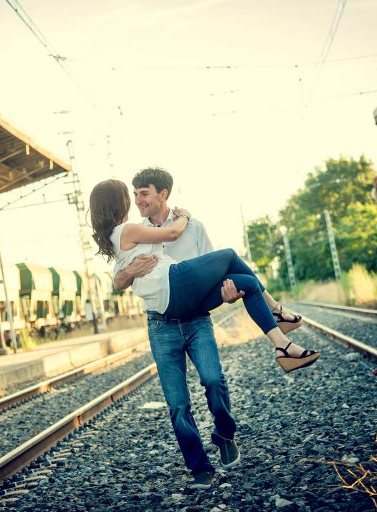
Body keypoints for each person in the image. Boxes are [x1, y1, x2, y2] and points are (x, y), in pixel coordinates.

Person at [91, 169, 318, 489]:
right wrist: (131, 268)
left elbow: (216, 272)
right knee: (178, 403)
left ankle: (232, 420)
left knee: (240, 297)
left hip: (196, 315)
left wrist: (228, 295)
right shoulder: (134, 229)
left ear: (163, 194)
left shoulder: (194, 229)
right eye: (133, 194)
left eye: (143, 193)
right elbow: (117, 280)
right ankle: (199, 467)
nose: (137, 199)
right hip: (162, 323)